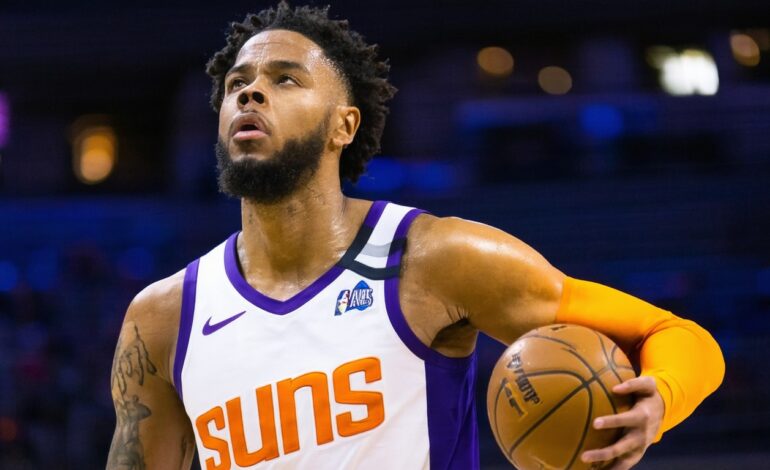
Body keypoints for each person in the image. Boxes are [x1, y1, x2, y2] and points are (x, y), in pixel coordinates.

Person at [106, 2, 725, 469]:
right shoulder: (163, 319)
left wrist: (660, 399)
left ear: (344, 126)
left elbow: (675, 335)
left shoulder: (434, 258)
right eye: (237, 83)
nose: (250, 91)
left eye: (285, 78)